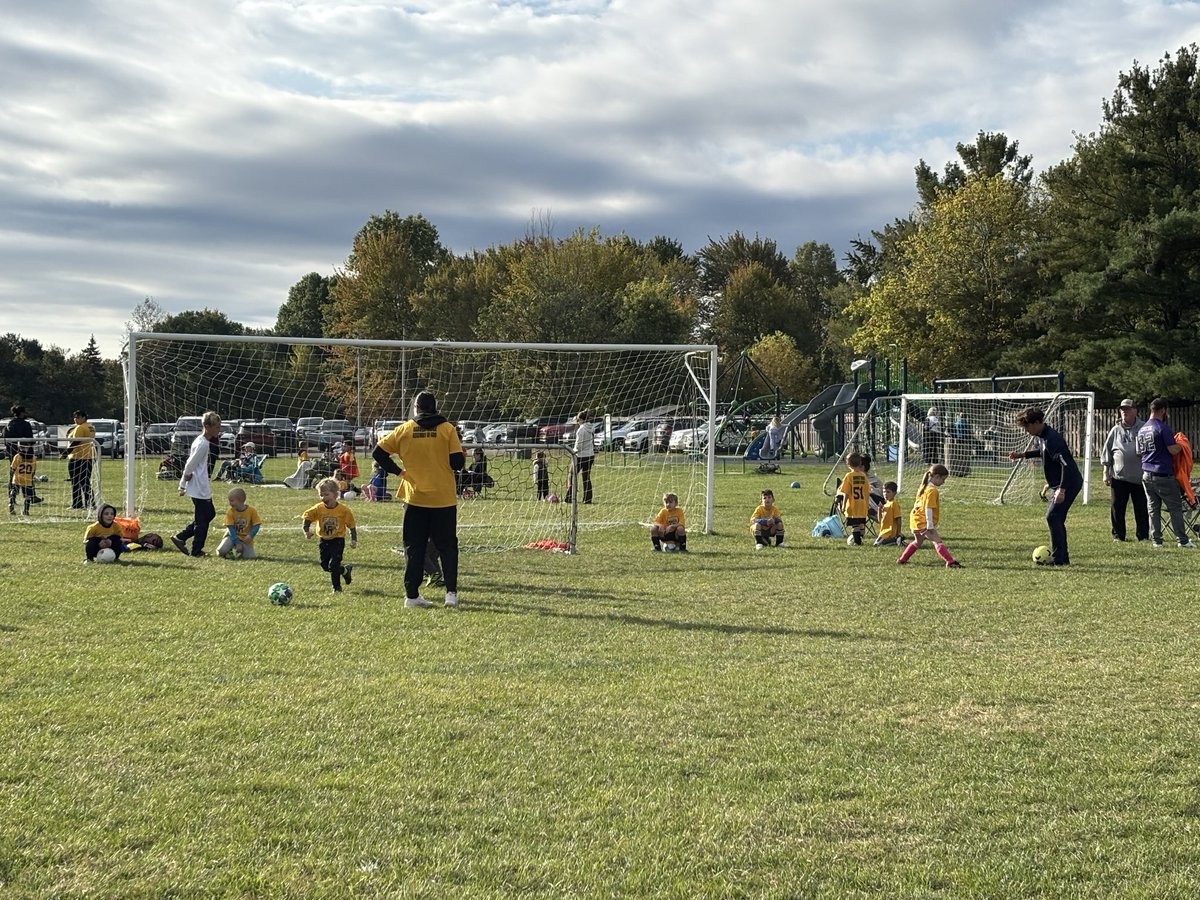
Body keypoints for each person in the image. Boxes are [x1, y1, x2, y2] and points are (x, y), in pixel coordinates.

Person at [373, 390, 465, 609]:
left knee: (414, 547)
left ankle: (412, 596)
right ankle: (450, 594)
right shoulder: (447, 429)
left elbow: (378, 453)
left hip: (415, 498)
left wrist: (399, 472)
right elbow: (456, 464)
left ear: (416, 408)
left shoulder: (404, 430)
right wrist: (461, 454)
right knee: (447, 547)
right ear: (435, 407)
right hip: (443, 498)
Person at [1009, 406, 1084, 565]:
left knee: (1052, 517)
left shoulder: (1052, 439)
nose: (1026, 431)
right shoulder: (1043, 436)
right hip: (1062, 483)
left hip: (1068, 483)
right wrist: (1022, 455)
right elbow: (1043, 452)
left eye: (1027, 427)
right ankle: (1062, 558)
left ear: (1037, 423)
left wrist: (1061, 490)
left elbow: (1067, 465)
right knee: (1056, 519)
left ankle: (1059, 559)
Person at [1136, 397, 1197, 549]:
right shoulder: (1162, 428)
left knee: (1153, 508)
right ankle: (1182, 540)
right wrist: (1182, 445)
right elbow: (1172, 449)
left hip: (1146, 473)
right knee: (1175, 508)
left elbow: (1138, 452)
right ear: (1163, 410)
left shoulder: (1142, 429)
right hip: (1162, 473)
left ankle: (1156, 540)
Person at [171, 410, 221, 557]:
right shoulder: (203, 444)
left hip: (200, 484)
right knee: (202, 519)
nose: (219, 429)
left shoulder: (202, 441)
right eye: (216, 427)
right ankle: (196, 550)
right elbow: (190, 465)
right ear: (207, 426)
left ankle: (181, 537)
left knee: (209, 514)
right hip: (198, 486)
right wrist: (182, 485)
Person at [1100, 399, 1149, 542]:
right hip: (1119, 477)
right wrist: (1105, 473)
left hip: (1140, 477)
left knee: (1141, 508)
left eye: (1127, 409)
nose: (1124, 412)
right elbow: (1107, 452)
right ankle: (1118, 535)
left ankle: (1143, 535)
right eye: (1122, 409)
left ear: (1135, 411)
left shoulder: (1144, 428)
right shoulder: (1115, 430)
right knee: (1117, 508)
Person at [896, 464, 962, 567]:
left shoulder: (924, 487)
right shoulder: (932, 490)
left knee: (918, 542)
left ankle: (902, 559)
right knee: (937, 541)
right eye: (943, 479)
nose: (943, 482)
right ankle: (950, 562)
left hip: (915, 520)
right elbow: (928, 508)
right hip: (923, 522)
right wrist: (930, 525)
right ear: (936, 477)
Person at [302, 477, 357, 592]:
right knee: (325, 566)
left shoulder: (343, 510)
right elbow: (307, 517)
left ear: (335, 494)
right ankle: (345, 571)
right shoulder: (319, 508)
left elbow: (351, 525)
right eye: (321, 495)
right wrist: (306, 530)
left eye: (326, 494)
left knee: (334, 565)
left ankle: (336, 588)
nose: (323, 498)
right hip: (324, 540)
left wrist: (353, 539)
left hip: (338, 540)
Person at [4, 405, 43, 506]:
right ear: (22, 413)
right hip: (26, 453)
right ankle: (31, 496)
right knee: (28, 474)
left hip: (13, 453)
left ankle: (12, 496)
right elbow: (30, 439)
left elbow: (5, 439)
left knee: (13, 474)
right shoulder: (25, 424)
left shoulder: (9, 424)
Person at [217, 487, 262, 559]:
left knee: (250, 557)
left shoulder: (252, 511)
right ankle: (231, 548)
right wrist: (236, 542)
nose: (230, 503)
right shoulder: (230, 512)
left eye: (232, 501)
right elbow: (230, 528)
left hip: (246, 539)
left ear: (240, 501)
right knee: (221, 551)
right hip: (232, 536)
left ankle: (236, 550)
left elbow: (257, 525)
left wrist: (250, 536)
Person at [837, 452, 871, 546]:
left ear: (848, 464)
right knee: (861, 522)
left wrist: (843, 505)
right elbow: (867, 491)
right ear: (860, 463)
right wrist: (867, 504)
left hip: (853, 505)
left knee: (855, 525)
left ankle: (857, 541)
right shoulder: (863, 476)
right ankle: (861, 532)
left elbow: (846, 493)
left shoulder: (849, 476)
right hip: (862, 504)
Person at [65, 409, 97, 510]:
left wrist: (66, 452)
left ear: (84, 418)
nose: (76, 419)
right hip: (88, 456)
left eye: (78, 417)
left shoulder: (80, 427)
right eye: (75, 417)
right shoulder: (91, 427)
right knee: (85, 481)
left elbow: (76, 442)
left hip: (78, 457)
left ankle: (77, 503)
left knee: (76, 481)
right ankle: (90, 502)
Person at [565, 411, 596, 504]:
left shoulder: (581, 430)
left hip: (580, 456)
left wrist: (573, 451)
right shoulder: (591, 428)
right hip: (590, 455)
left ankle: (569, 497)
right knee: (586, 477)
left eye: (578, 420)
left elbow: (579, 445)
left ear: (581, 419)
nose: (577, 422)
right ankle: (587, 499)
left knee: (571, 475)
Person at [8, 443, 36, 515]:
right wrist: (31, 478)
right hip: (27, 479)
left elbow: (13, 468)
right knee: (27, 496)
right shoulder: (33, 457)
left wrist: (11, 478)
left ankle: (11, 502)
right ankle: (26, 510)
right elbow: (33, 470)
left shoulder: (17, 456)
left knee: (14, 491)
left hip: (17, 478)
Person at [874, 481, 906, 546]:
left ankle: (897, 540)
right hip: (883, 532)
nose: (885, 494)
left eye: (888, 492)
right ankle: (898, 541)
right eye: (884, 492)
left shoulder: (894, 504)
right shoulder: (885, 505)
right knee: (876, 544)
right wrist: (879, 510)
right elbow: (880, 520)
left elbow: (898, 518)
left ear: (894, 493)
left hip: (890, 533)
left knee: (880, 544)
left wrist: (899, 532)